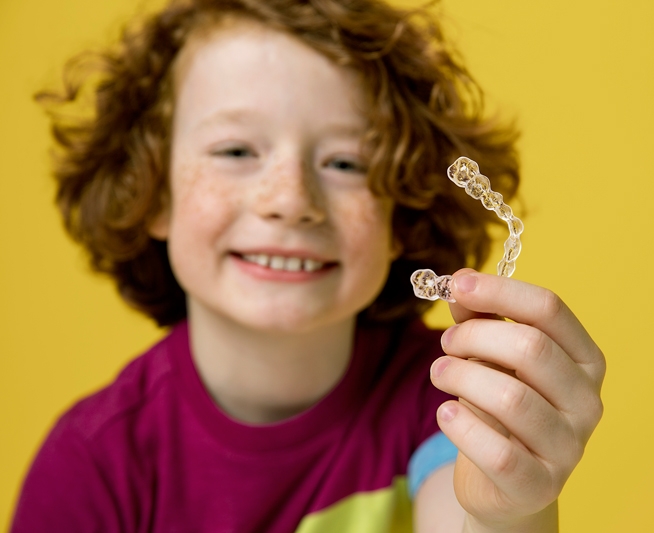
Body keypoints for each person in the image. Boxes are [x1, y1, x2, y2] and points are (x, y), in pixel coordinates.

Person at [11, 0, 606, 531]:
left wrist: (505, 513)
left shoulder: (450, 395)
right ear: (151, 192)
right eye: (237, 151)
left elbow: (469, 510)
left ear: (402, 205)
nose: (292, 200)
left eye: (346, 163)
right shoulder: (91, 466)